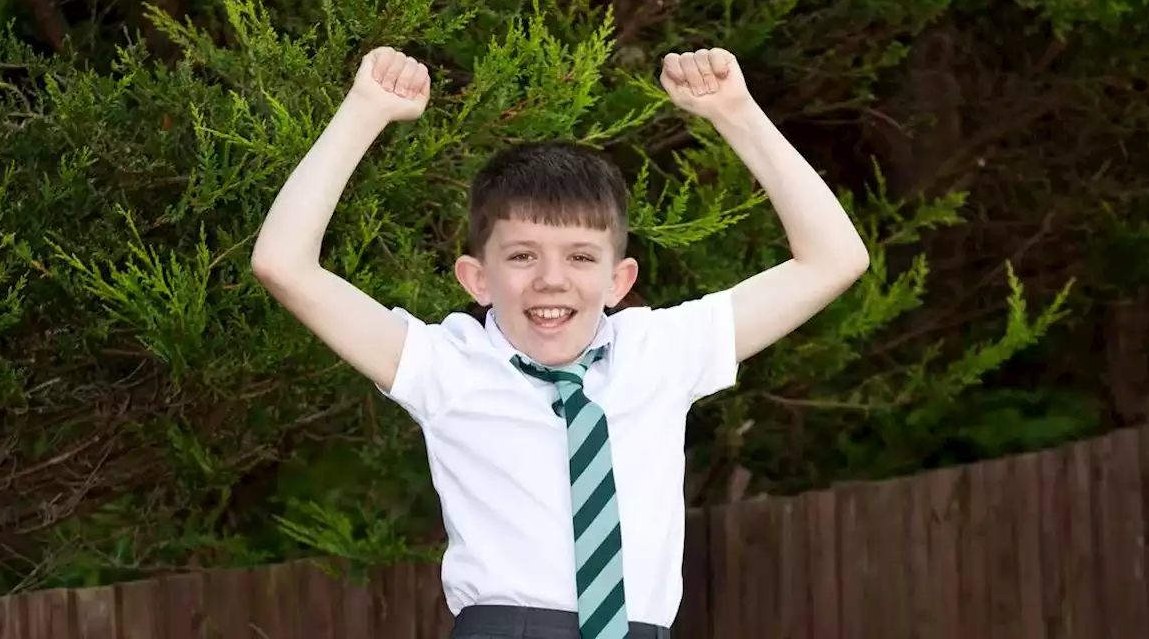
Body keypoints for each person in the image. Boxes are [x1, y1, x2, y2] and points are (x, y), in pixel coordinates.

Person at [251, 45, 870, 639]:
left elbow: (833, 259)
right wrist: (364, 112)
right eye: (522, 256)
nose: (551, 279)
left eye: (579, 256)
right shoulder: (446, 365)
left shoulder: (662, 351)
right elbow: (284, 264)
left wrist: (738, 115)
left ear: (618, 281)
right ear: (478, 279)